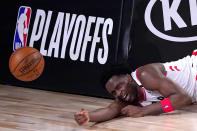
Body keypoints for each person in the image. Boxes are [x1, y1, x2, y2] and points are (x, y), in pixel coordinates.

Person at [74, 49, 197, 126]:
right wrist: (88, 116)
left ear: (128, 77)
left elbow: (183, 98)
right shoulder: (125, 99)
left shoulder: (145, 75)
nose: (118, 93)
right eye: (114, 93)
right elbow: (110, 110)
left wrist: (143, 111)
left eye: (119, 86)